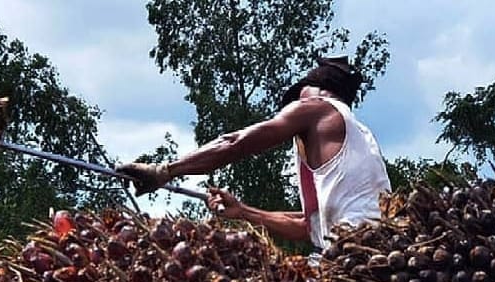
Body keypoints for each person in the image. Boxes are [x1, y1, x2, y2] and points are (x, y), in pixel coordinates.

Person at [118, 56, 390, 252]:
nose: (295, 103)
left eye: (300, 95)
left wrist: (165, 171)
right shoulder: (359, 139)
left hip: (353, 253)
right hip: (372, 251)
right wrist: (244, 211)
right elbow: (309, 227)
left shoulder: (318, 108)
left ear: (322, 91)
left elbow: (235, 142)